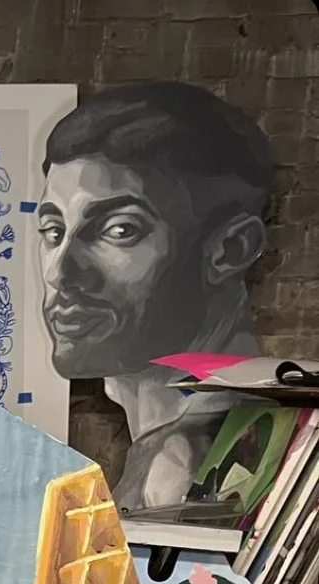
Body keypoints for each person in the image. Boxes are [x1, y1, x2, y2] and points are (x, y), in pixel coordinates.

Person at [37, 83, 273, 509]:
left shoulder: (184, 464)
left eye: (120, 230)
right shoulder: (170, 441)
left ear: (230, 250)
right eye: (53, 232)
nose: (61, 271)